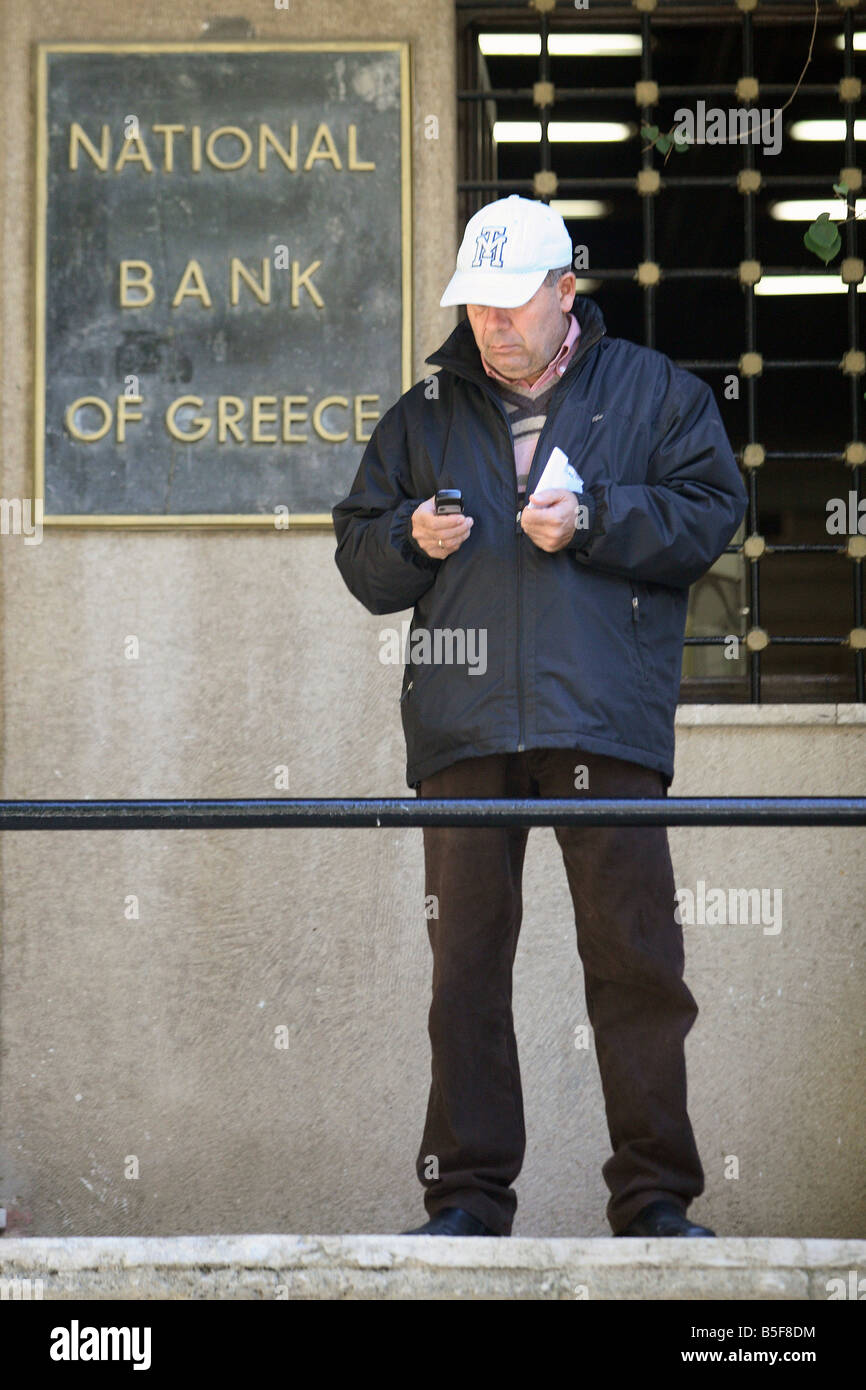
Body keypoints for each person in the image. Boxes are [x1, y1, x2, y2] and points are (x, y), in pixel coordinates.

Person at [332, 195, 747, 1238]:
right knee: (463, 969)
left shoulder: (652, 392)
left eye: (510, 303)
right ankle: (465, 1202)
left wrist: (599, 516)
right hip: (463, 729)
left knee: (634, 962)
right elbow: (357, 552)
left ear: (566, 293)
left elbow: (708, 513)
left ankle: (653, 1198)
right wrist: (406, 540)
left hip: (602, 721)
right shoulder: (421, 411)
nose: (490, 325)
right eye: (475, 305)